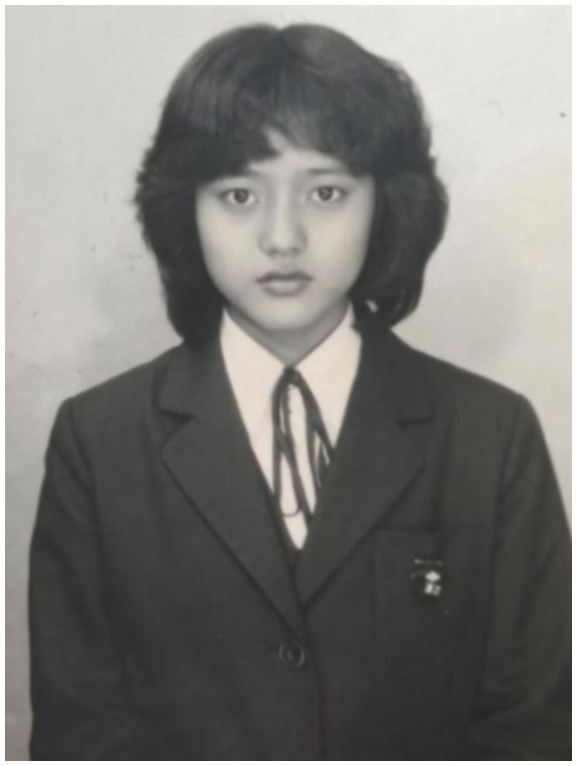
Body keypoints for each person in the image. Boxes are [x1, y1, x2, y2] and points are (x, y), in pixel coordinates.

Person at [28, 23, 571, 760]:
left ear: (386, 203)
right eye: (238, 194)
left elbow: (535, 728)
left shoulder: (492, 435)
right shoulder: (98, 440)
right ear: (185, 209)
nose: (282, 238)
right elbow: (81, 733)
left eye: (325, 192)